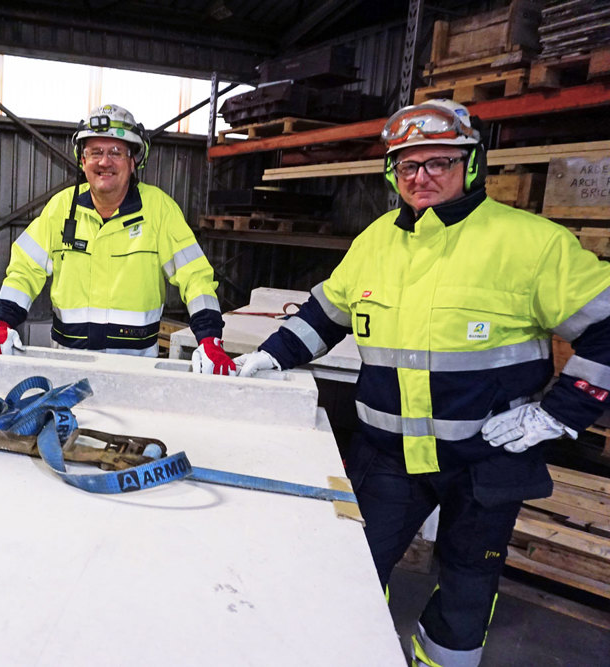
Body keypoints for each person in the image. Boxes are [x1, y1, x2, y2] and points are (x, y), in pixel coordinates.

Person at [236, 99, 610, 666]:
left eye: (439, 162)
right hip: (387, 457)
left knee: (467, 582)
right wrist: (270, 355)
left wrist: (558, 414)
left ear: (470, 164)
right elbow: (327, 313)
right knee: (352, 567)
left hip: (486, 459)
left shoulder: (532, 244)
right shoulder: (376, 241)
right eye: (408, 166)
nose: (422, 177)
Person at [0, 103, 235, 374]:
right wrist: (2, 323)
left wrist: (209, 338)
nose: (104, 162)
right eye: (96, 152)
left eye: (116, 152)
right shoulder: (60, 209)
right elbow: (24, 271)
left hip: (136, 368)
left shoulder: (160, 210)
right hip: (67, 363)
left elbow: (194, 276)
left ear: (134, 159)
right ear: (82, 160)